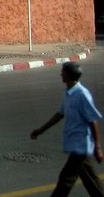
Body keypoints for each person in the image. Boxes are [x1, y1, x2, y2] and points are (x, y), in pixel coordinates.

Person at [31, 61, 104, 196]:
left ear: (69, 75)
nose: (61, 74)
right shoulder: (68, 92)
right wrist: (41, 130)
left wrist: (98, 148)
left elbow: (93, 120)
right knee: (89, 181)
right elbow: (60, 114)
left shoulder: (82, 94)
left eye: (63, 72)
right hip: (75, 144)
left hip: (81, 145)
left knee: (66, 181)